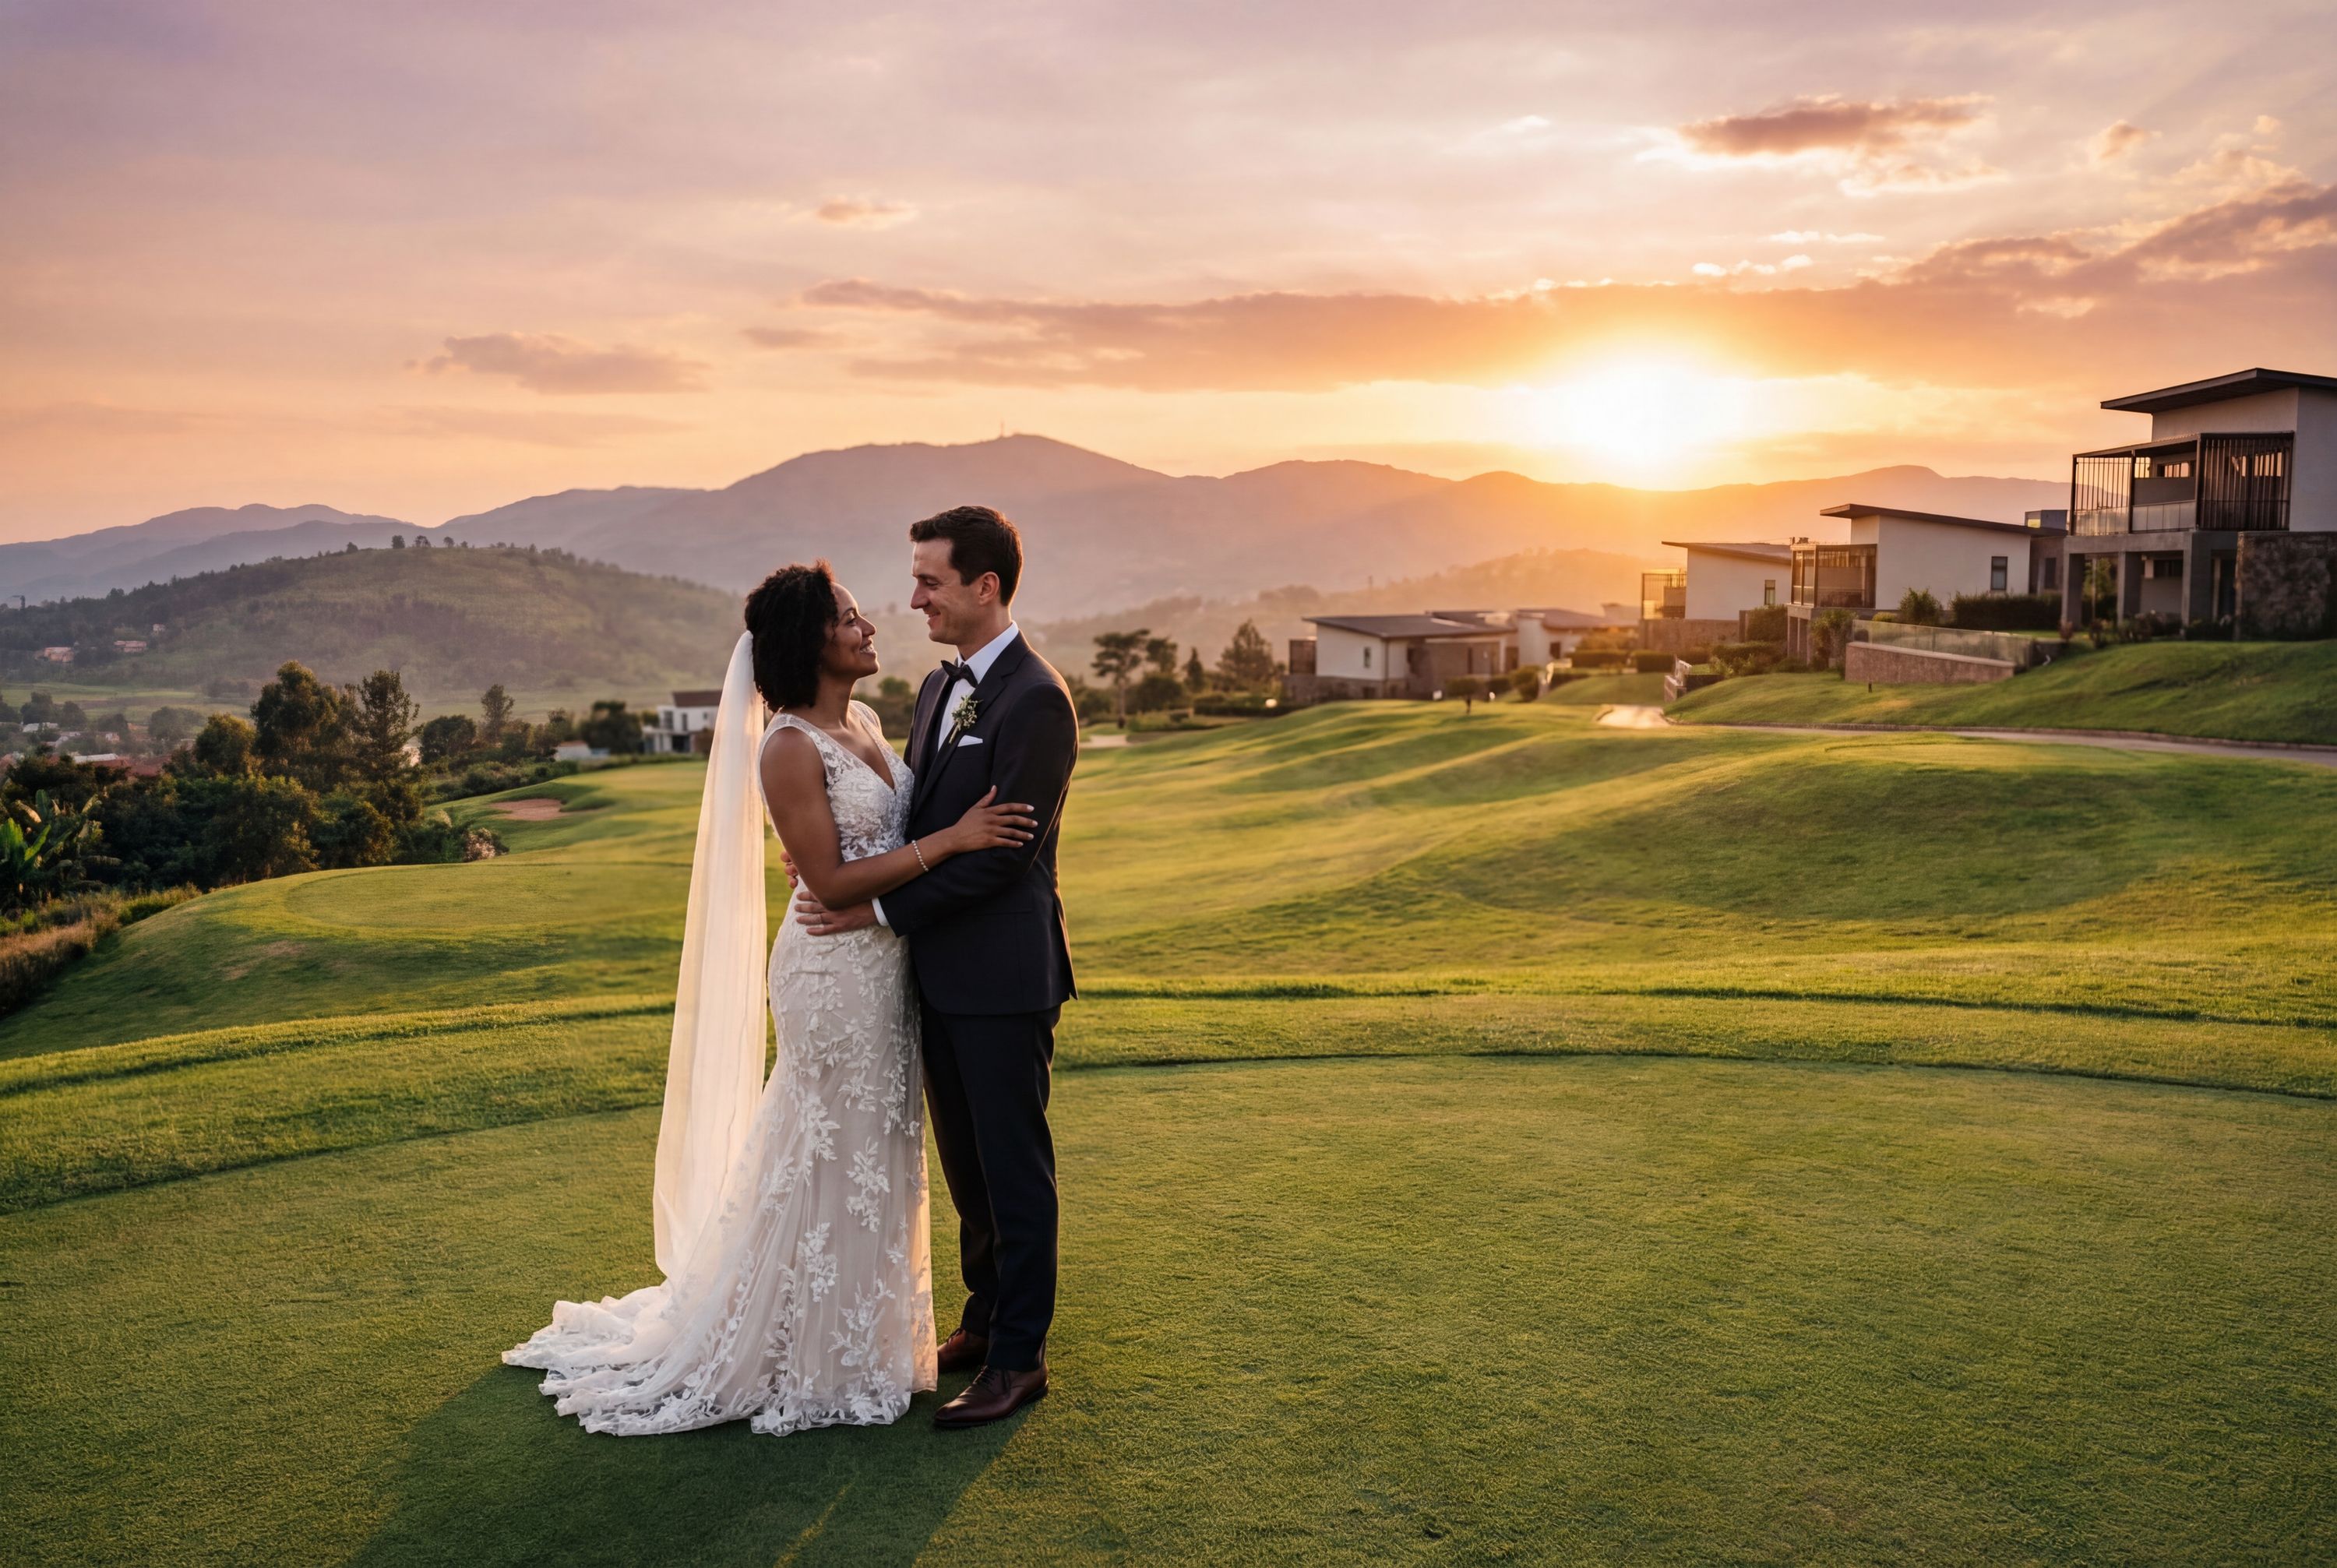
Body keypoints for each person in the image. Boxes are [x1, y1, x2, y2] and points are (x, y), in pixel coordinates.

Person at [502, 562, 1037, 1436]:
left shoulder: (865, 721)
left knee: (876, 1150)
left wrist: (895, 850)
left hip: (887, 968)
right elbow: (830, 882)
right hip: (831, 973)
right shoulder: (787, 745)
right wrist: (952, 840)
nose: (870, 626)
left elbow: (863, 844)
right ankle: (805, 1351)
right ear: (808, 642)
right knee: (830, 1146)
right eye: (850, 618)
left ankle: (862, 1340)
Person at [791, 505, 1080, 1429]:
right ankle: (984, 1320)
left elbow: (1003, 858)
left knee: (1012, 1171)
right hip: (932, 977)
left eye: (930, 581)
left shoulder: (1037, 700)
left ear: (984, 586)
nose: (913, 598)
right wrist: (831, 859)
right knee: (966, 1169)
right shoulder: (933, 689)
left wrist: (872, 908)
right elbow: (916, 821)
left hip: (1002, 978)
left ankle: (1020, 1359)